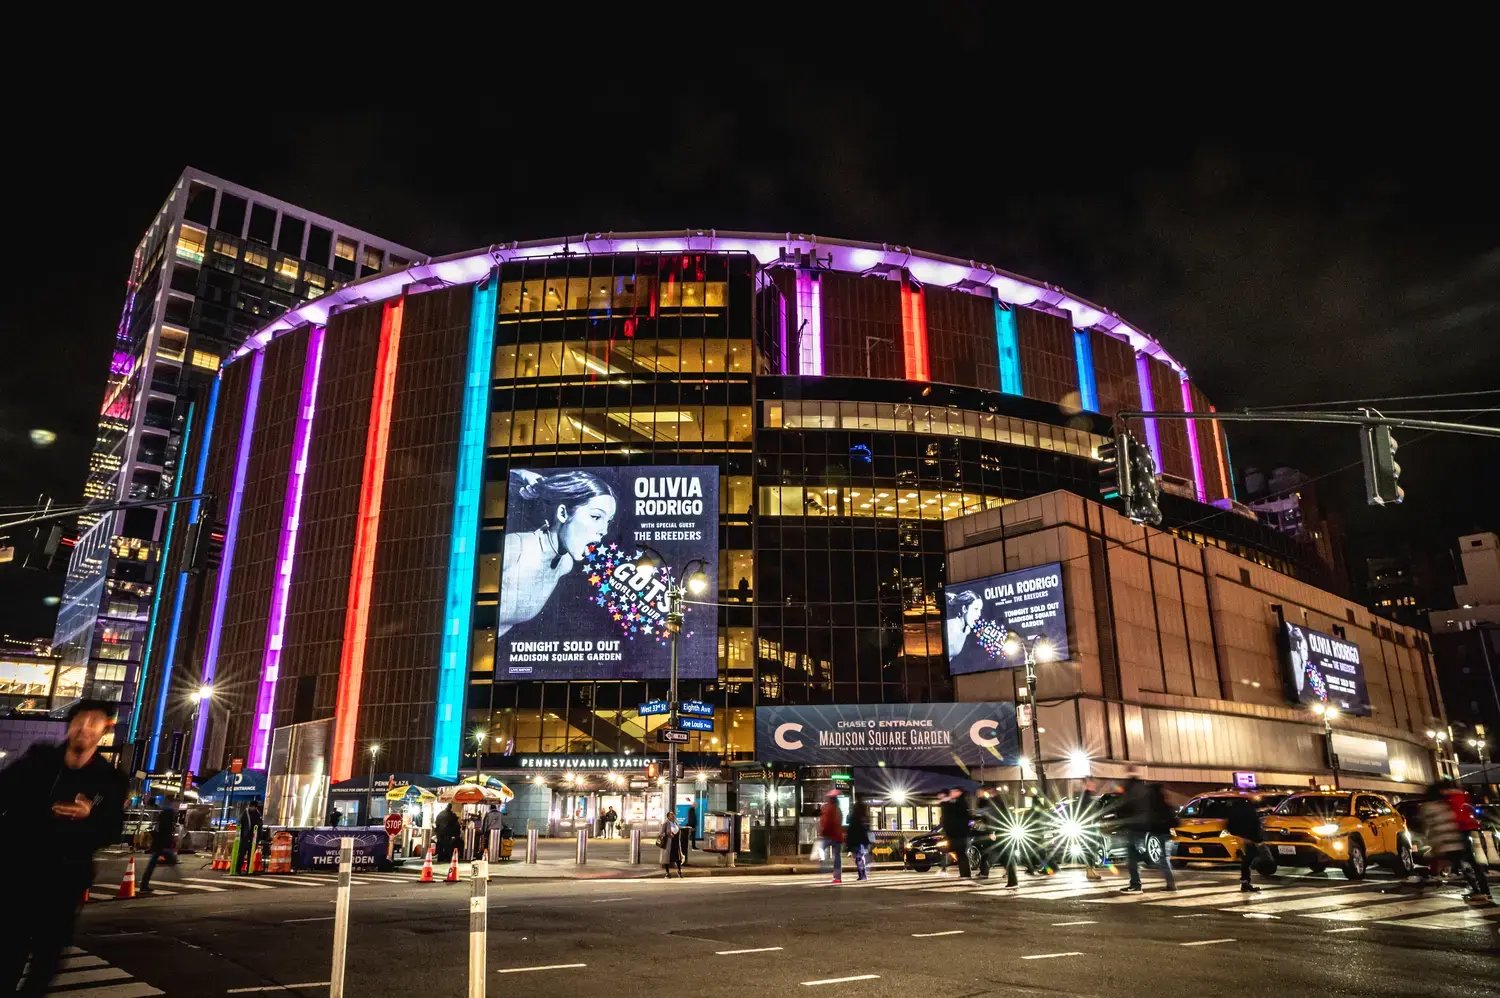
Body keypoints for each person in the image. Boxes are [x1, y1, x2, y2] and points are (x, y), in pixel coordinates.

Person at [0, 699, 127, 995]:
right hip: (17, 876)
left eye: (94, 722)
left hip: (63, 884)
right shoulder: (39, 761)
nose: (85, 727)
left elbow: (111, 831)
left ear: (104, 730)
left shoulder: (109, 781)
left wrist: (89, 816)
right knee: (7, 958)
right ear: (69, 725)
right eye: (80, 720)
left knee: (46, 962)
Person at [499, 470, 618, 637]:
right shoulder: (514, 548)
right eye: (596, 516)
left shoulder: (565, 565)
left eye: (608, 521)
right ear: (563, 513)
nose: (604, 530)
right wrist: (519, 472)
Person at [1115, 767, 1176, 894]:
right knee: (1160, 856)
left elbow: (1126, 808)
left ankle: (1136, 884)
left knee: (1135, 855)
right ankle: (1168, 883)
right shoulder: (1146, 792)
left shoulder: (1133, 790)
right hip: (1146, 828)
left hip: (1138, 827)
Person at [1440, 780, 1492, 902]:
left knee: (1464, 860)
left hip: (1457, 830)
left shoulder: (1449, 798)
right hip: (1467, 828)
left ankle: (1476, 889)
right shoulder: (1462, 795)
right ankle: (1483, 888)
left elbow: (1453, 815)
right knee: (1471, 860)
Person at [1222, 795, 1264, 892]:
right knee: (1250, 859)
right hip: (1248, 839)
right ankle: (1245, 882)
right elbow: (1255, 825)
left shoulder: (1233, 812)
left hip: (1238, 839)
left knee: (1246, 861)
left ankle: (1245, 882)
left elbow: (1229, 826)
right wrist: (1256, 839)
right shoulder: (1250, 812)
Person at [137, 796, 178, 893]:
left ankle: (144, 885)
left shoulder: (165, 812)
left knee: (154, 863)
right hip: (161, 843)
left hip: (160, 842)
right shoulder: (168, 813)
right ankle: (144, 886)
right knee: (154, 863)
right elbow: (165, 830)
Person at [939, 787, 975, 879]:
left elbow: (952, 817)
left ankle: (965, 874)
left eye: (953, 791)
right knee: (959, 853)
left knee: (960, 853)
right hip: (956, 833)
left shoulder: (959, 803)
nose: (951, 793)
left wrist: (945, 801)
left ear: (958, 792)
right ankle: (964, 873)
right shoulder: (957, 802)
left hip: (959, 834)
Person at [1077, 776, 1103, 881]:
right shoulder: (1085, 796)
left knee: (1091, 849)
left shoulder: (1087, 796)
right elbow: (1086, 813)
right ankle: (1090, 870)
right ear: (1086, 784)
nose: (1093, 785)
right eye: (1091, 783)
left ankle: (1091, 870)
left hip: (1090, 827)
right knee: (1090, 848)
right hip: (1089, 828)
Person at [818, 790, 845, 883]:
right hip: (837, 836)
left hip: (829, 835)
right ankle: (838, 877)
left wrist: (822, 833)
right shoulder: (838, 809)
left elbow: (826, 822)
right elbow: (839, 822)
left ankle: (825, 867)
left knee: (820, 848)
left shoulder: (828, 808)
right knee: (837, 856)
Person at [846, 799, 872, 881]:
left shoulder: (853, 816)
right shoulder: (864, 817)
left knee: (858, 857)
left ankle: (862, 874)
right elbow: (867, 828)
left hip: (856, 839)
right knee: (860, 857)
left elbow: (849, 825)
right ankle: (862, 874)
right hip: (862, 839)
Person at [236, 799, 263, 874]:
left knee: (251, 855)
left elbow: (260, 826)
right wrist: (241, 835)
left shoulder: (258, 814)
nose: (252, 808)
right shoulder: (245, 813)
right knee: (241, 853)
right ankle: (238, 869)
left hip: (253, 838)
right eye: (251, 806)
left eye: (253, 807)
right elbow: (240, 824)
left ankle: (249, 869)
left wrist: (259, 837)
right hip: (245, 837)